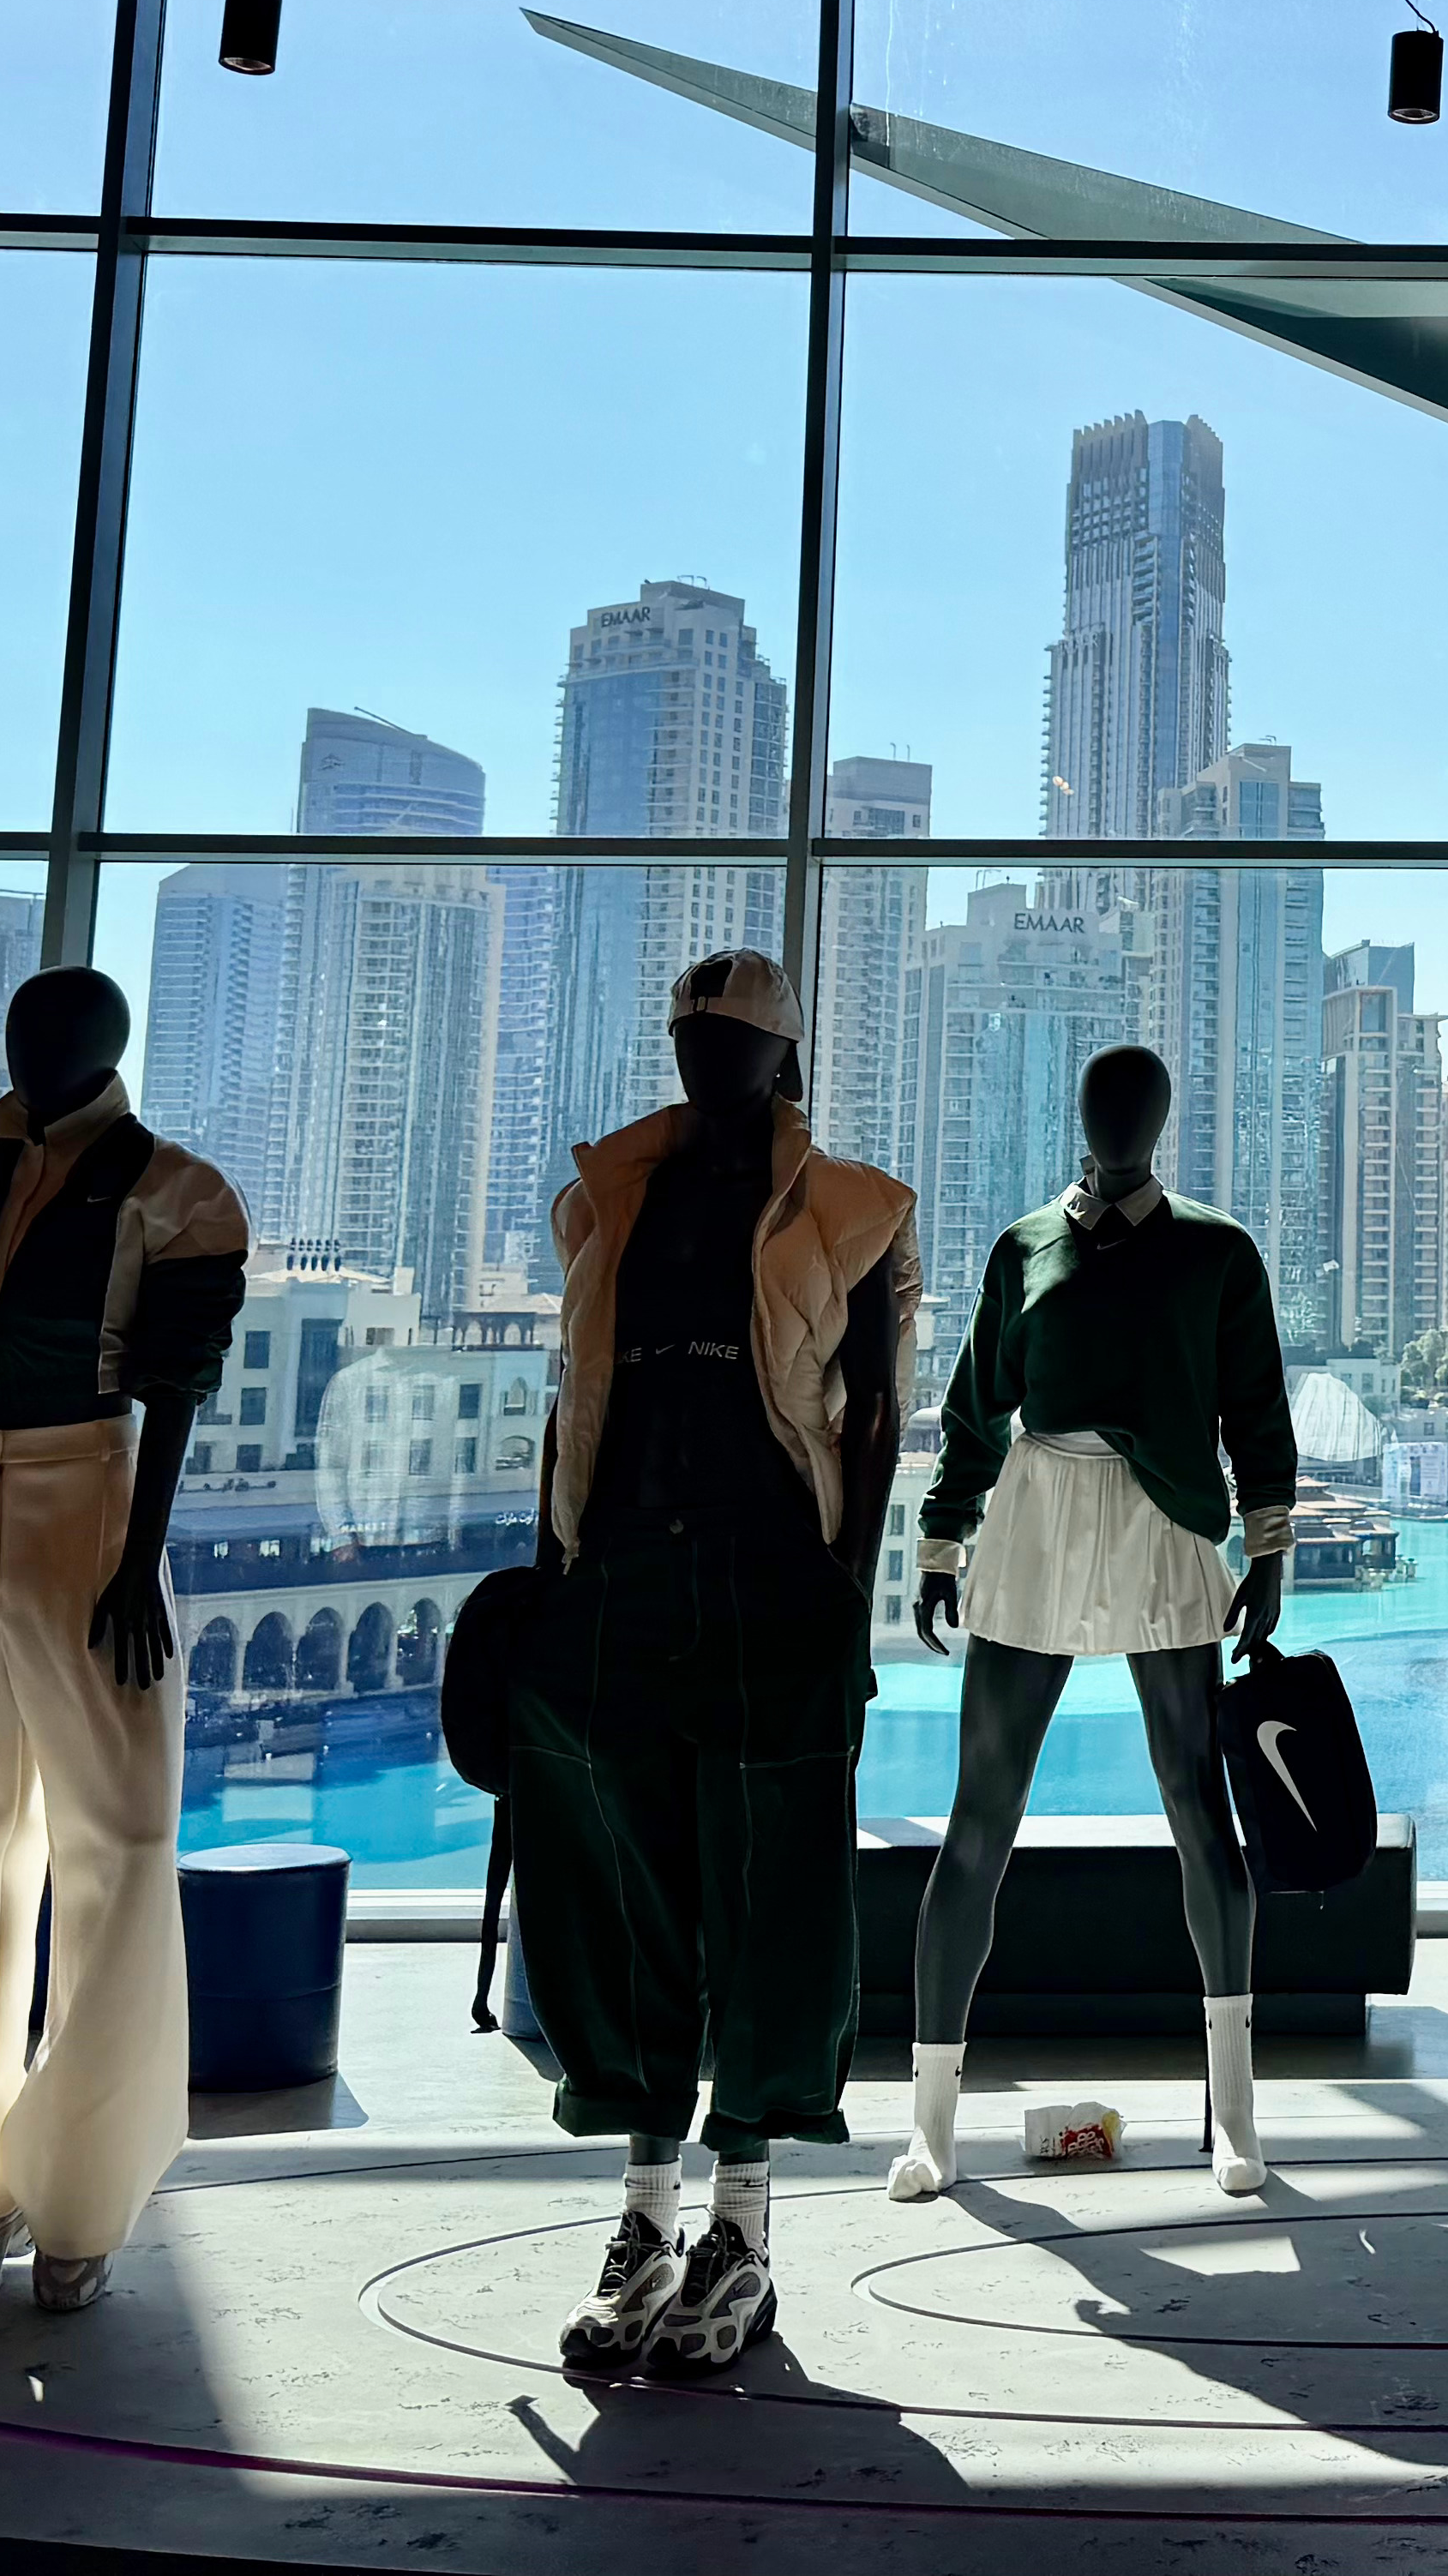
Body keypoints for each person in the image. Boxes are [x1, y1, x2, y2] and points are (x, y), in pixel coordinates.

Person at [519, 949, 919, 2385]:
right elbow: (575, 1396)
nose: (705, 1054)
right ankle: (643, 2215)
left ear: (781, 1052)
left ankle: (741, 2224)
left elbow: (876, 1410)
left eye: (733, 1036)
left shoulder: (853, 1208)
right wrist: (551, 1572)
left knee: (773, 1903)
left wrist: (847, 1588)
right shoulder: (605, 1197)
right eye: (689, 1032)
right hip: (617, 1572)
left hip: (772, 1578)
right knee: (624, 1897)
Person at [0, 964, 249, 2315]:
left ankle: (83, 2186)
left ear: (108, 1045)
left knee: (120, 1840)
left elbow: (175, 1388)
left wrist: (139, 1557)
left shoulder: (176, 1193)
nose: (34, 1047)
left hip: (90, 1487)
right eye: (25, 1027)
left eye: (60, 1029)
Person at [897, 1043, 1295, 2201]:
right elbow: (978, 1403)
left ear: (1163, 1120)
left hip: (1166, 1522)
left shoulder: (1217, 1251)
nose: (1121, 1122)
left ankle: (1235, 2117)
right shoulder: (1025, 1245)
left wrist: (1268, 1548)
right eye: (1104, 1105)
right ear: (1078, 1115)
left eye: (1140, 1106)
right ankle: (930, 2124)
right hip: (1037, 1515)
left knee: (1200, 1811)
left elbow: (1256, 1406)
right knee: (980, 1819)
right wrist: (941, 1539)